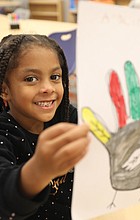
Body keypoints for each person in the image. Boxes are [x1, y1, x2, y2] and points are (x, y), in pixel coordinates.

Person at [0, 34, 90, 219]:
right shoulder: (4, 134)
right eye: (31, 79)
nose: (48, 88)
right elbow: (4, 196)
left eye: (55, 77)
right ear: (5, 90)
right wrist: (40, 169)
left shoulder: (66, 116)